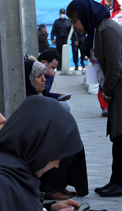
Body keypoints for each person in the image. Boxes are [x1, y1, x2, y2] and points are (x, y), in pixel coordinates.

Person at [67, 0, 122, 198]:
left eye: (75, 21)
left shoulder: (107, 30)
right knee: (117, 135)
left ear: (85, 17)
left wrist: (107, 92)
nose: (74, 26)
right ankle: (116, 180)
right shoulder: (99, 28)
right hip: (121, 87)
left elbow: (115, 67)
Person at [24, 59, 89, 200]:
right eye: (39, 76)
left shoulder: (39, 94)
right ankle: (50, 187)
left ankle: (59, 184)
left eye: (44, 75)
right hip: (34, 145)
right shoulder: (28, 98)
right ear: (29, 78)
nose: (44, 80)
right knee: (64, 142)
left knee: (73, 140)